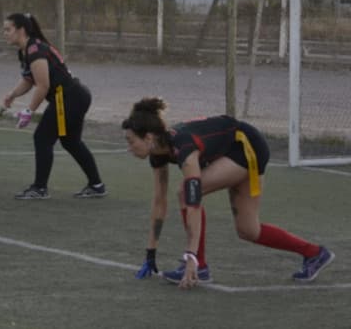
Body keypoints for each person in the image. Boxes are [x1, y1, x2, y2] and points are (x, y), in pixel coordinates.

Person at [123, 97, 335, 289]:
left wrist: (191, 255)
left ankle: (201, 267)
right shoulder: (157, 154)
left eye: (131, 141)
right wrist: (150, 253)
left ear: (149, 137)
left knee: (185, 192)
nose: (129, 148)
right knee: (248, 230)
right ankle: (314, 253)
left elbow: (193, 202)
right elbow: (159, 202)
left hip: (246, 145)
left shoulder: (184, 149)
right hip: (229, 152)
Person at [1, 13, 106, 200]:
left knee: (42, 138)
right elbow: (29, 79)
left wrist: (29, 110)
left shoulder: (35, 50)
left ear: (21, 30)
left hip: (69, 98)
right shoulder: (26, 50)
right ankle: (96, 185)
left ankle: (39, 188)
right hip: (73, 97)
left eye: (8, 29)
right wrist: (12, 95)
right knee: (70, 142)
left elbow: (43, 85)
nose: (5, 33)